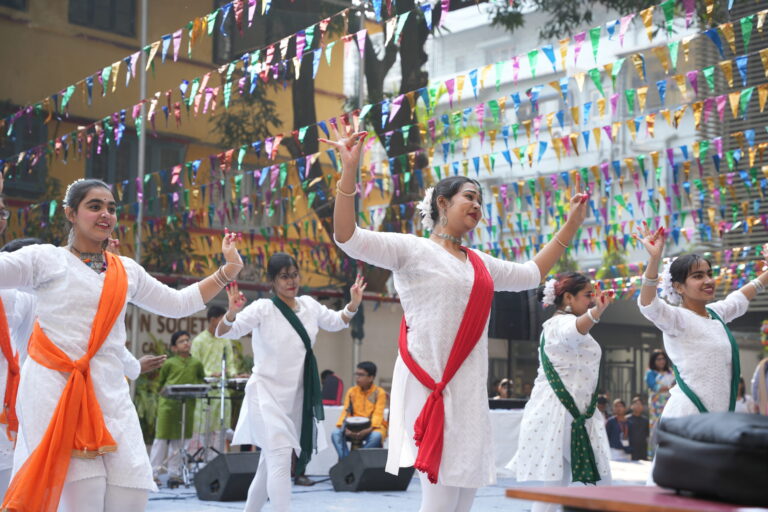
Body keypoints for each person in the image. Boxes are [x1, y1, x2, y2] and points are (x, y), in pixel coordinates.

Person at [328, 131, 588, 512]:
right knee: (440, 496)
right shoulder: (412, 249)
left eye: (480, 201)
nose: (477, 205)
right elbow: (347, 236)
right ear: (442, 202)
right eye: (470, 196)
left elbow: (531, 274)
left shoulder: (480, 263)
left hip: (468, 391)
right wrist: (349, 171)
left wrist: (572, 224)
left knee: (464, 497)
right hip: (431, 385)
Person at [0, 178, 243, 512]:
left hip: (111, 395)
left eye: (111, 208)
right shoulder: (45, 259)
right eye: (94, 206)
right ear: (70, 213)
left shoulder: (125, 270)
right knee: (84, 497)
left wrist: (228, 270)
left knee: (131, 495)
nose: (106, 214)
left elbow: (179, 303)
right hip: (56, 393)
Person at [217, 253, 365, 512]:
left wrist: (353, 304)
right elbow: (225, 331)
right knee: (280, 457)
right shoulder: (263, 308)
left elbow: (337, 322)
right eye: (284, 276)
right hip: (264, 396)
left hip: (295, 400)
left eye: (294, 275)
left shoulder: (309, 306)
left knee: (268, 464)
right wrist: (231, 313)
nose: (291, 281)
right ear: (272, 281)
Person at [635, 227, 768, 482]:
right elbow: (649, 304)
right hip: (687, 415)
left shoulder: (716, 314)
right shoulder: (676, 318)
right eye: (698, 276)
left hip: (716, 419)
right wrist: (654, 260)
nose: (708, 280)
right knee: (676, 490)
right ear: (678, 287)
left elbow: (740, 297)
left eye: (709, 274)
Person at [509, 274, 614, 512]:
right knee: (601, 485)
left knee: (555, 488)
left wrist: (594, 311)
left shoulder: (558, 324)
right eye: (587, 295)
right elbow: (573, 332)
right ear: (568, 297)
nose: (592, 299)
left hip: (565, 412)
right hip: (564, 413)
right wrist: (597, 312)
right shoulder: (560, 323)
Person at [148, 330, 205, 487]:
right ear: (174, 347)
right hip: (168, 406)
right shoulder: (169, 363)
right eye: (181, 341)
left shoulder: (196, 364)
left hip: (187, 406)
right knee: (161, 440)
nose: (186, 343)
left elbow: (201, 380)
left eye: (187, 340)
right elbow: (161, 384)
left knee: (180, 442)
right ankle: (152, 474)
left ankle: (174, 474)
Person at [191, 305, 241, 459]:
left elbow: (230, 364)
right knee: (203, 429)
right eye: (221, 319)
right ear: (213, 320)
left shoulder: (225, 340)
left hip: (222, 391)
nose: (224, 322)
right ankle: (201, 463)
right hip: (205, 392)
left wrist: (235, 375)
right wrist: (209, 374)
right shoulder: (199, 341)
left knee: (220, 429)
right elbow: (195, 366)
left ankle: (217, 462)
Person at [332, 361, 387, 460]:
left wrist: (367, 430)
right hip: (352, 427)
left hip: (371, 428)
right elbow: (345, 412)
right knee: (335, 433)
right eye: (356, 374)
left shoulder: (379, 393)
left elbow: (378, 415)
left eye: (361, 375)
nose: (357, 377)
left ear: (371, 377)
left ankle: (355, 460)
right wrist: (345, 428)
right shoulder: (351, 391)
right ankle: (347, 460)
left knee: (376, 436)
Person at [645, 349, 674, 456]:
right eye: (658, 359)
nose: (662, 361)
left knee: (670, 425)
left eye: (663, 359)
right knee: (656, 426)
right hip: (656, 405)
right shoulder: (650, 373)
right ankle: (654, 453)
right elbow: (654, 387)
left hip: (670, 402)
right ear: (653, 361)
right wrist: (670, 387)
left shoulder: (670, 372)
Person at [627, 397, 649, 461]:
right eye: (636, 404)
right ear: (632, 406)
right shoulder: (627, 419)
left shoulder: (646, 420)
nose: (638, 406)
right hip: (630, 450)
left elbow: (647, 435)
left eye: (640, 404)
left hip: (643, 450)